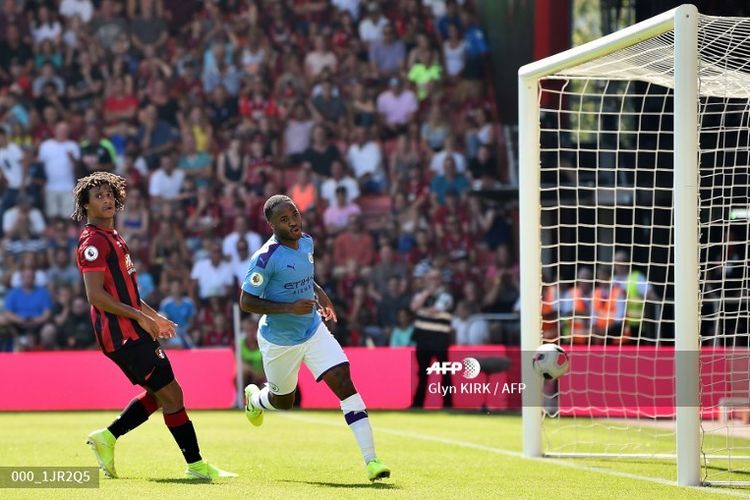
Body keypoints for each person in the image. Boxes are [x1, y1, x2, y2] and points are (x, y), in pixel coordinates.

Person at [72, 172, 235, 481]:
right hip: (121, 335)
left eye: (110, 194)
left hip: (134, 329)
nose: (106, 200)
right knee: (173, 395)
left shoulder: (115, 237)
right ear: (86, 204)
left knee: (162, 395)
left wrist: (154, 315)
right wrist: (140, 317)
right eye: (98, 196)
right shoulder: (92, 242)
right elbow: (96, 296)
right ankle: (196, 466)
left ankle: (107, 437)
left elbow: (128, 293)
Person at [239, 194, 390, 482]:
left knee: (344, 381)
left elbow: (307, 279)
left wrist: (323, 298)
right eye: (284, 219)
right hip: (279, 340)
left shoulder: (306, 241)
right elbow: (247, 302)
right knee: (283, 402)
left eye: (294, 214)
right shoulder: (265, 258)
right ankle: (256, 400)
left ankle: (372, 461)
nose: (293, 221)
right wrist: (288, 308)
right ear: (272, 225)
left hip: (313, 329)